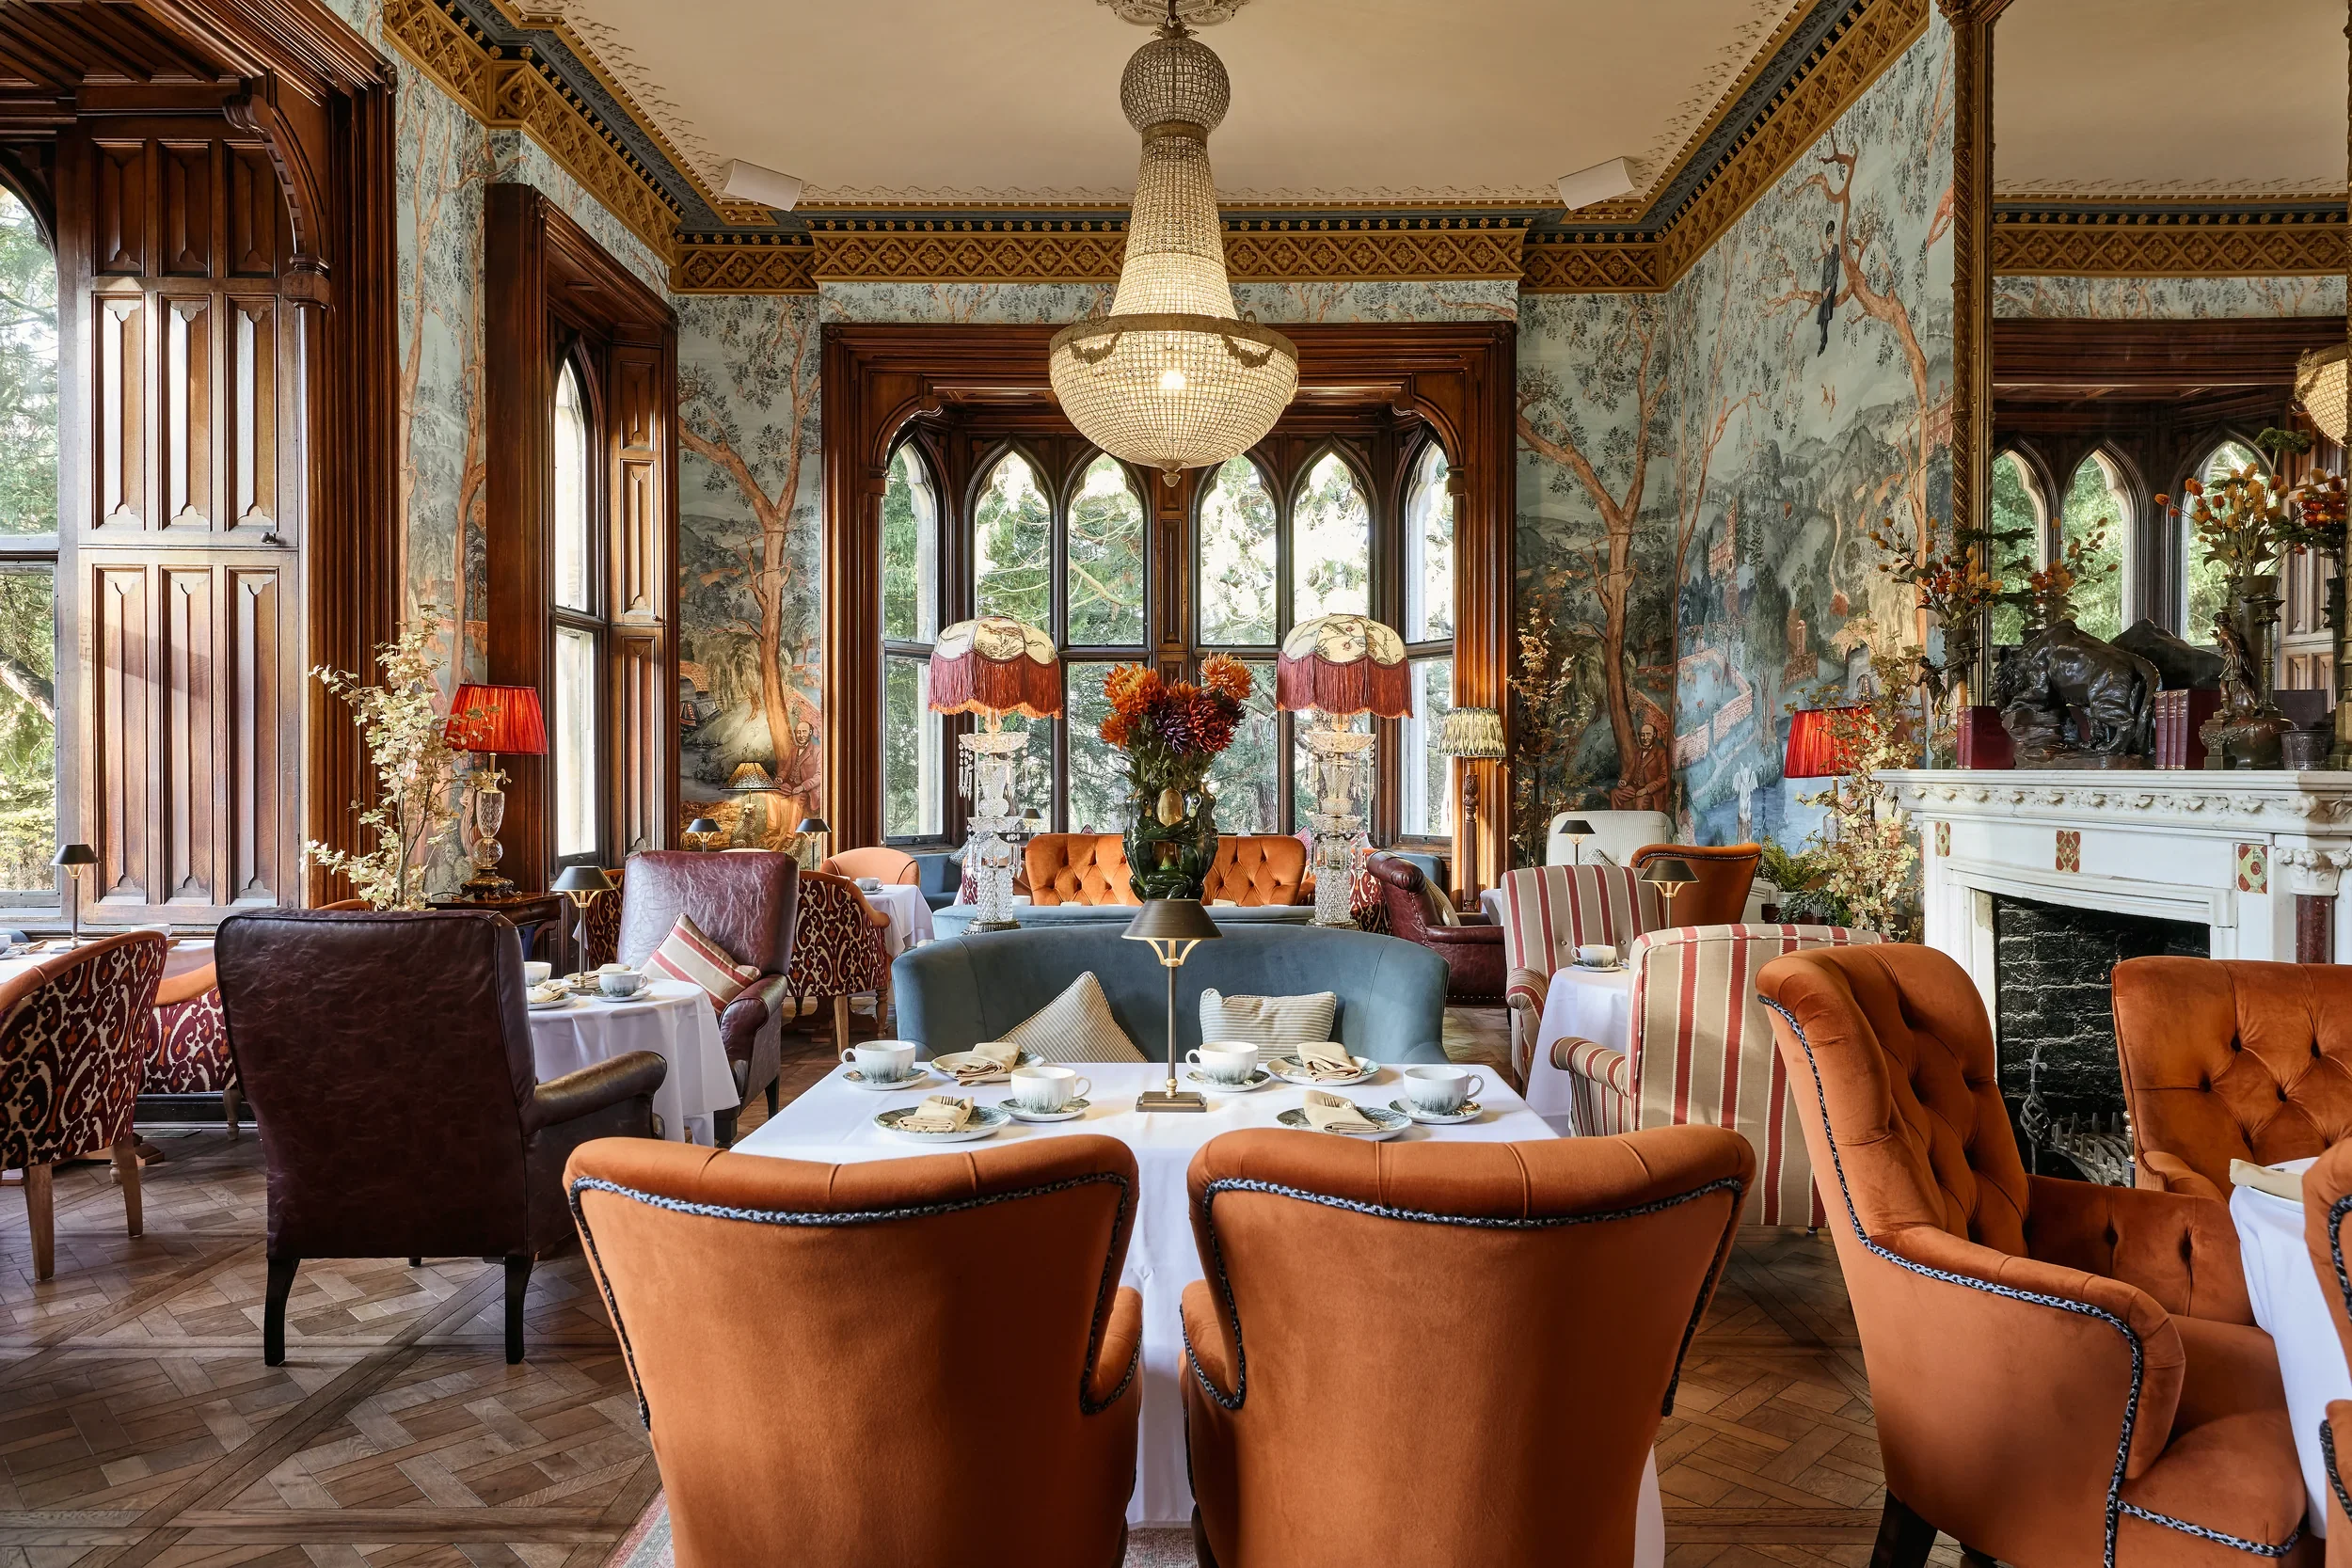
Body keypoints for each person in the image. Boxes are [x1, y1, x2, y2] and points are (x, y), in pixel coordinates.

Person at [1815, 220, 1841, 356]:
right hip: (1824, 287)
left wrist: (1829, 288)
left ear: (1833, 236)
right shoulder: (1825, 255)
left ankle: (1823, 341)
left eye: (1831, 235)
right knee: (1820, 315)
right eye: (1828, 236)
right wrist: (1822, 290)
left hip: (1831, 287)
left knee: (1826, 313)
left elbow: (1836, 270)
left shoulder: (1836, 249)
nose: (1829, 238)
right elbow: (1824, 274)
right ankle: (1824, 338)